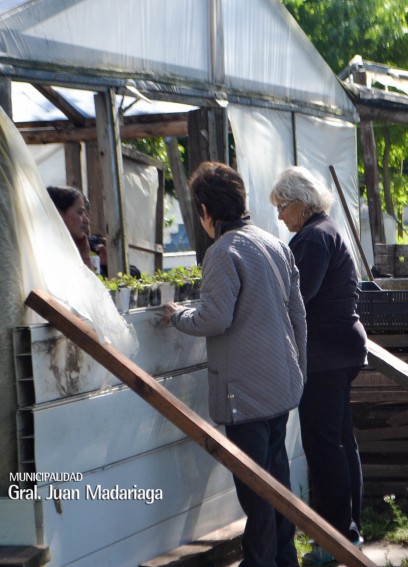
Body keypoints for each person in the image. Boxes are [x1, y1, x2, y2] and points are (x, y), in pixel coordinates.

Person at [160, 162, 307, 567]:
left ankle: (261, 562)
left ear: (206, 210)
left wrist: (177, 317)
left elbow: (215, 318)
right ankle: (284, 558)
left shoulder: (222, 253)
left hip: (244, 392)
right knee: (276, 482)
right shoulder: (274, 244)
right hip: (280, 385)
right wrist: (299, 375)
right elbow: (299, 317)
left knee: (256, 491)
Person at [270, 166, 368, 565]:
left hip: (325, 355)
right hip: (341, 349)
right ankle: (349, 532)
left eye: (281, 207)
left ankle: (334, 540)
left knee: (324, 445)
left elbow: (298, 298)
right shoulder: (326, 231)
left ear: (299, 202)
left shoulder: (311, 238)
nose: (279, 216)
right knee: (342, 442)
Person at [46, 185, 96, 271]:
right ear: (58, 214)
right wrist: (84, 258)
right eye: (79, 212)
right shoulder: (48, 257)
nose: (86, 220)